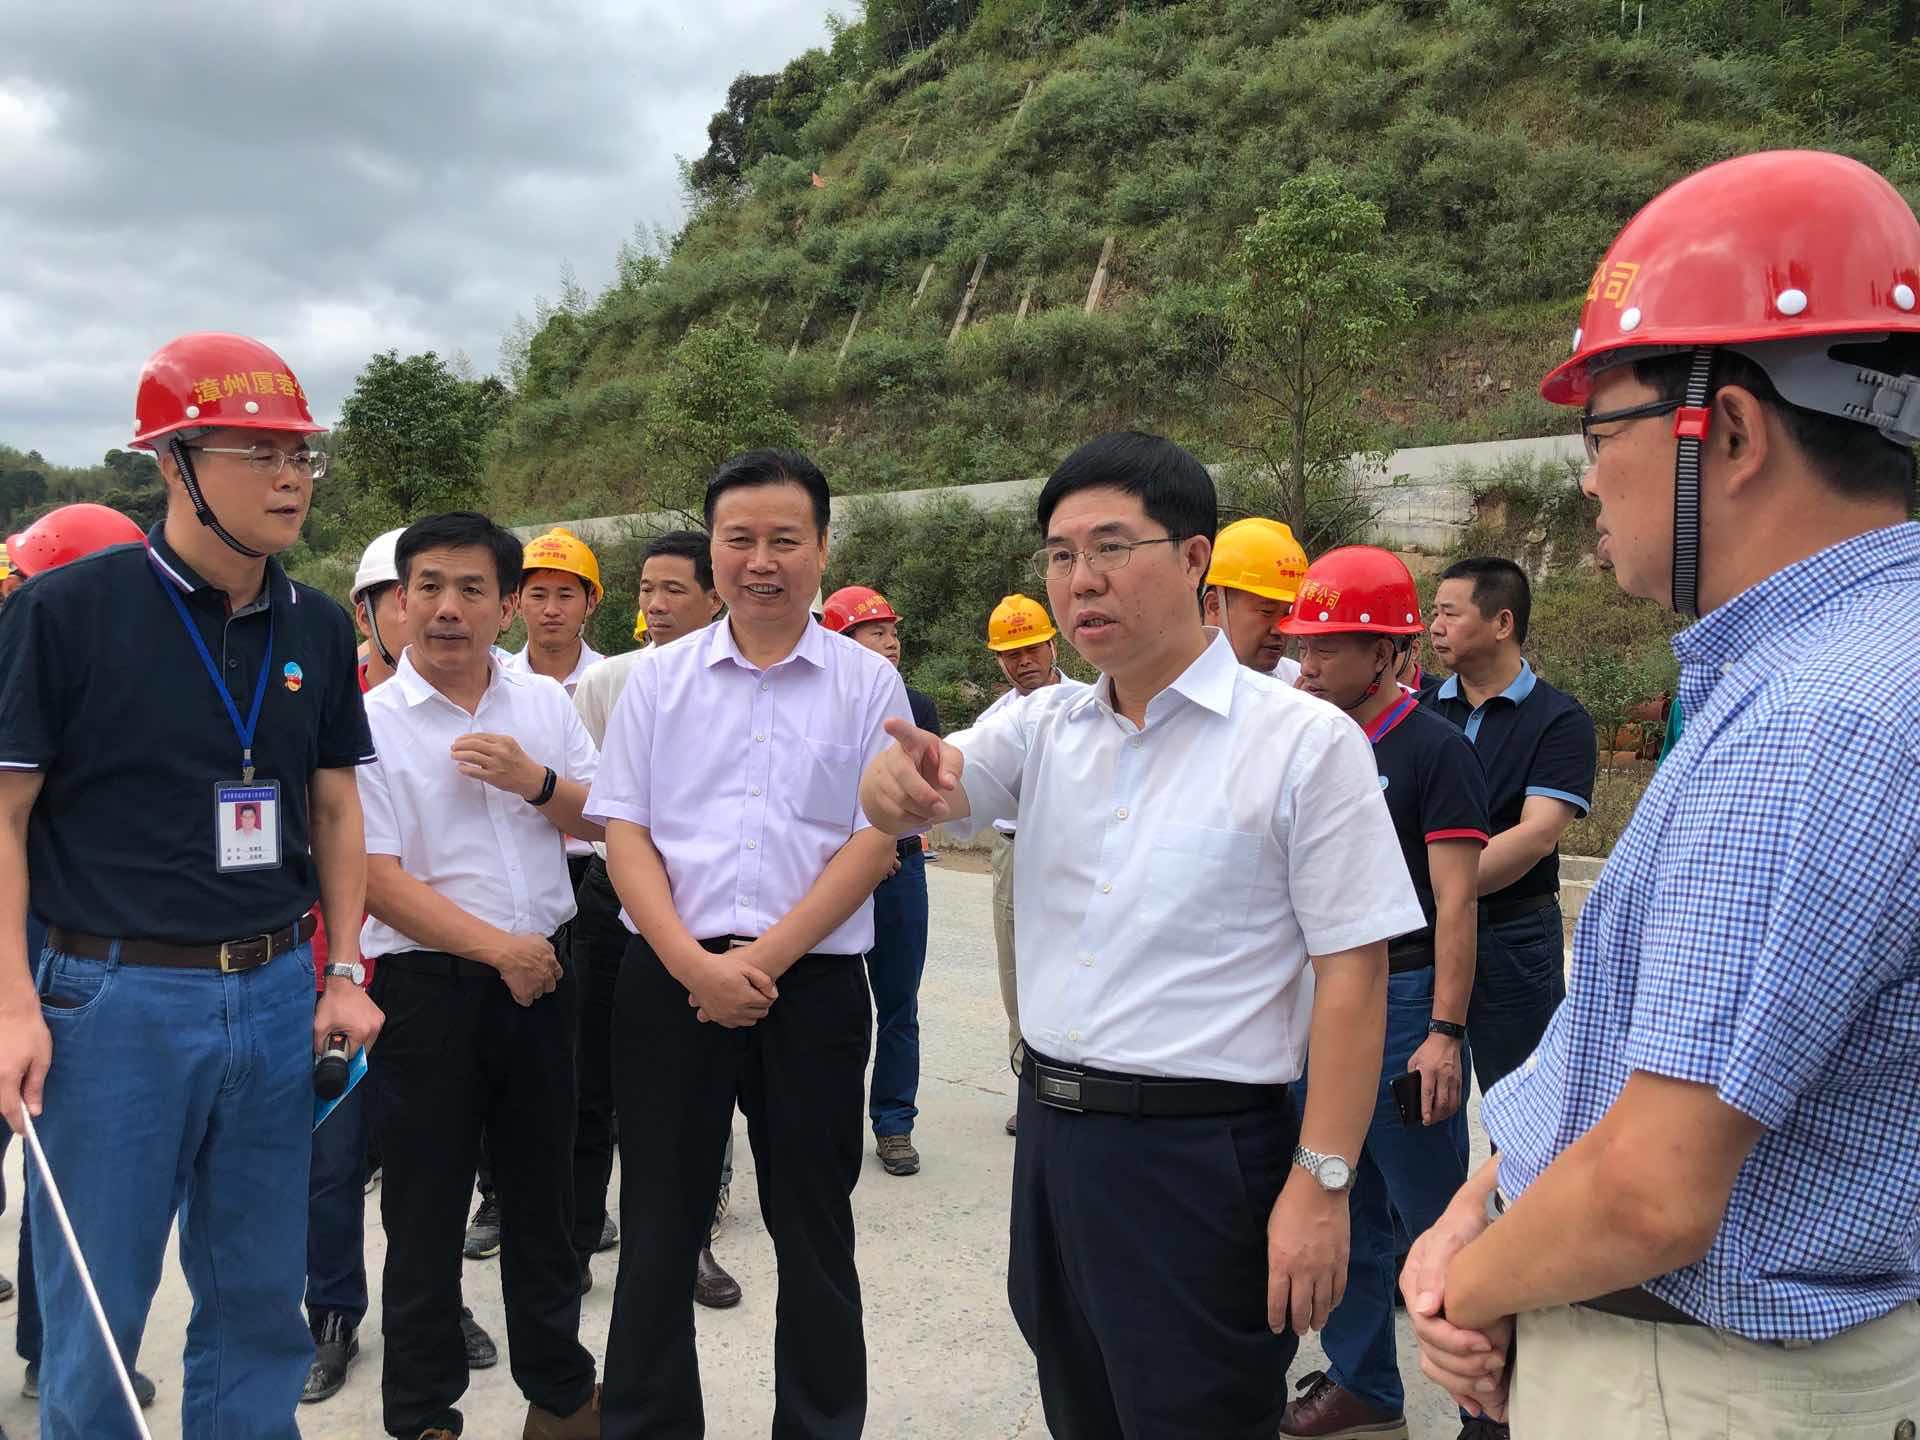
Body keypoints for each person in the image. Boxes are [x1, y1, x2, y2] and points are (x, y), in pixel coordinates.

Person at [1403, 149, 1920, 1438]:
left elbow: (1650, 1194)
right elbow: (1627, 1050)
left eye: (1601, 432)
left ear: (1727, 431)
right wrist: (1482, 1200)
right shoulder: (1844, 665)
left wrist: (1465, 1288)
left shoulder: (1808, 724)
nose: (1587, 477)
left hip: (1692, 1380)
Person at [859, 431, 1425, 1439]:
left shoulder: (1303, 743)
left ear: (1196, 557)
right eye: (1061, 554)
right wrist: (891, 782)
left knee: (1198, 1415)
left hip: (1202, 1158)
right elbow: (932, 781)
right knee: (1080, 1407)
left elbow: (1354, 973)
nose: (1082, 579)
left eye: (1112, 547)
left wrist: (1323, 1181)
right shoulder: (1042, 727)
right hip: (1053, 1143)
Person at [0, 332, 382, 1439]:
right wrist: (14, 1002)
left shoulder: (316, 625)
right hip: (113, 1002)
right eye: (258, 453)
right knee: (97, 1308)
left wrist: (345, 971)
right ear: (172, 463)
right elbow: (6, 817)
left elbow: (334, 809)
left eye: (301, 455)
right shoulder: (63, 614)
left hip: (275, 990)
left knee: (260, 1298)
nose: (290, 478)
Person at [587, 449, 908, 1439]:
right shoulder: (657, 680)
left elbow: (875, 841)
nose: (761, 561)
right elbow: (625, 832)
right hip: (670, 980)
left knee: (814, 1227)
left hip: (810, 987)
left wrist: (760, 963)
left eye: (784, 539)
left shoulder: (868, 685)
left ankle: (819, 1423)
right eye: (740, 539)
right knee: (658, 1226)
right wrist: (693, 964)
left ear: (823, 548)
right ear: (714, 549)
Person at [357, 511, 604, 1440]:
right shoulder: (369, 724)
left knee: (546, 1201)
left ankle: (562, 1397)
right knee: (424, 1214)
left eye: (471, 590)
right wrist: (499, 950)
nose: (446, 609)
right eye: (427, 587)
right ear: (398, 601)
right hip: (428, 994)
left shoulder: (541, 705)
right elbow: (375, 877)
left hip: (545, 985)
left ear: (507, 607)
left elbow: (606, 819)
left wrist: (535, 782)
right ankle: (424, 1414)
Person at [1275, 547, 1488, 1440]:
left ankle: (1487, 1402)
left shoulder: (1433, 750)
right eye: (1304, 644)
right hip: (1317, 999)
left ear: (1388, 652)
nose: (1308, 663)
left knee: (1435, 1212)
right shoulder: (1303, 740)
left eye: (1329, 647)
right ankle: (1364, 1386)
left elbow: (1456, 904)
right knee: (1339, 1197)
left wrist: (1444, 1031)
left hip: (1403, 1001)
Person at [303, 527, 498, 1408]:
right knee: (333, 1163)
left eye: (461, 592)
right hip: (331, 977)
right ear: (372, 612)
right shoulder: (319, 708)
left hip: (425, 980)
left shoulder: (476, 712)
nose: (435, 612)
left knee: (430, 1172)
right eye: (409, 594)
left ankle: (438, 1306)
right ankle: (333, 1314)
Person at [0, 503, 159, 1420]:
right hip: (35, 941)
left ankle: (53, 1350)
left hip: (65, 938)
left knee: (54, 1160)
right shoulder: (49, 659)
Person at [569, 529, 740, 1308]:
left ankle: (690, 1241)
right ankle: (580, 1239)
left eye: (674, 589)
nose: (656, 605)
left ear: (715, 595)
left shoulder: (743, 685)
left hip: (701, 907)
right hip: (615, 900)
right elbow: (596, 800)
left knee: (694, 1091)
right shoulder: (612, 681)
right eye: (646, 589)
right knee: (598, 1080)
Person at [462, 526, 609, 1265]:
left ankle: (577, 1203)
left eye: (566, 595)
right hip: (496, 892)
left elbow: (611, 807)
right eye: (538, 594)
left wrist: (538, 785)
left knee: (580, 1055)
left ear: (590, 603)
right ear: (515, 604)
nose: (552, 609)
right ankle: (497, 1194)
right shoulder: (485, 678)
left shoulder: (614, 682)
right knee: (491, 1056)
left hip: (591, 877)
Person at [1422, 557, 1594, 1096]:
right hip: (1426, 932)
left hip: (1511, 937)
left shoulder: (1558, 720)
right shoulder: (1422, 712)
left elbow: (1537, 834)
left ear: (1502, 623)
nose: (1434, 627)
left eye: (1449, 614)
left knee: (1524, 1106)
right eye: (1433, 613)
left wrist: (1438, 887)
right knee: (1422, 1095)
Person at [822, 585, 940, 1177]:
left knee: (898, 1001)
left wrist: (889, 843)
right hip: (834, 869)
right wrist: (863, 850)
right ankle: (828, 1119)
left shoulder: (916, 707)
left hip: (901, 870)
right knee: (831, 1002)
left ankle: (894, 1123)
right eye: (875, 632)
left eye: (893, 631)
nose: (891, 642)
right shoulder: (817, 708)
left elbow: (928, 794)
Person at [976, 593, 1084, 1136]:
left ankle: (1085, 1082)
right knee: (1019, 971)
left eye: (1031, 649)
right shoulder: (993, 724)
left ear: (1053, 645)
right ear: (998, 660)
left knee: (1086, 961)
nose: (1023, 662)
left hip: (1080, 845)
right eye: (1011, 654)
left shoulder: (1091, 704)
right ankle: (1031, 1088)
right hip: (1017, 851)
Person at [1201, 516, 1309, 682]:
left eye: (1288, 614)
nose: (1280, 630)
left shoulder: (1299, 679)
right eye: (1267, 611)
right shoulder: (1172, 684)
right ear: (1215, 606)